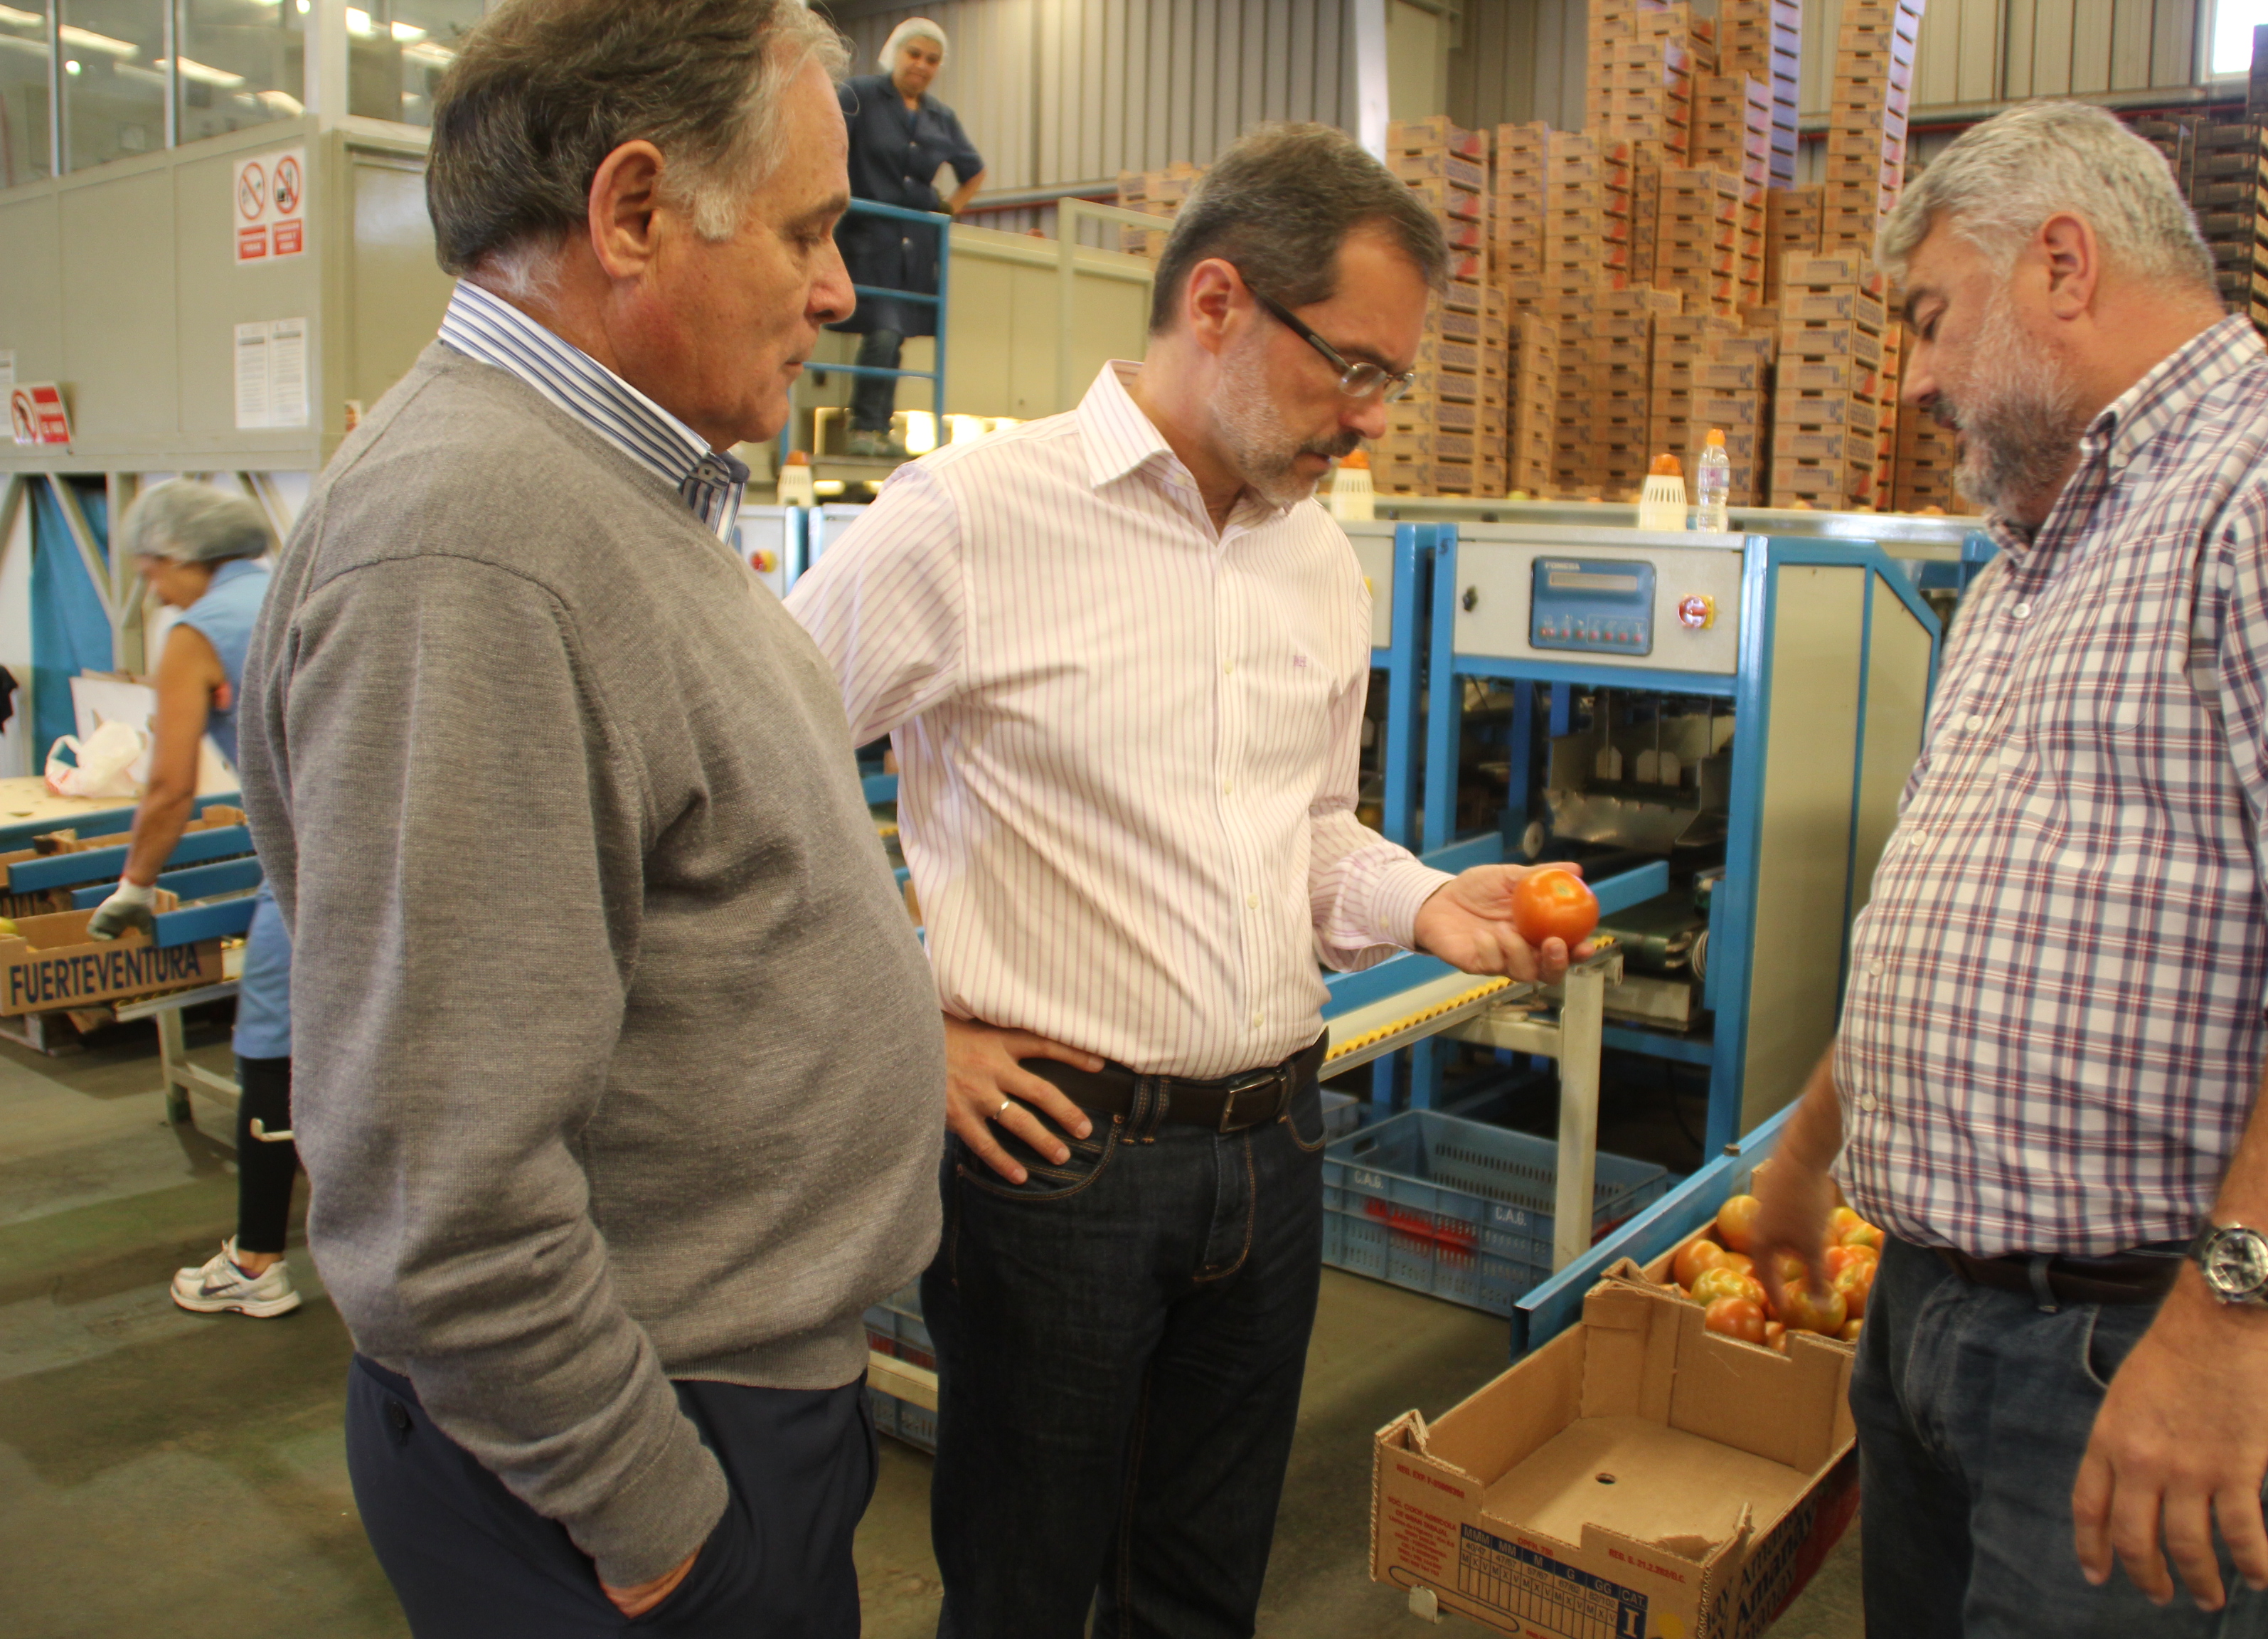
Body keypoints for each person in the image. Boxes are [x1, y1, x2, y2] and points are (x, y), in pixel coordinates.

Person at [789, 121, 1596, 1639]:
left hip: (1278, 1141)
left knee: (1202, 1592)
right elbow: (751, 785)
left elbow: (1306, 832)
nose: (1366, 422)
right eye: (1350, 366)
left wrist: (1428, 904)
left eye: (1390, 382)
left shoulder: (1313, 559)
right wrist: (911, 1023)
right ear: (1217, 302)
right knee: (1026, 1590)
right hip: (1058, 1165)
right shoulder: (971, 520)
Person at [237, 2, 944, 1634]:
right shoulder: (472, 546)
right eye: (807, 233)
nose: (840, 292)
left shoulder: (607, 494)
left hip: (715, 1395)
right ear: (632, 213)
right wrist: (660, 1525)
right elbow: (442, 1192)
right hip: (627, 1456)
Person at [1745, 100, 2268, 1637]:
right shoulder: (2028, 563)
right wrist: (1809, 1154)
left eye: (1931, 318)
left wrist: (2233, 1314)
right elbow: (1947, 918)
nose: (1916, 376)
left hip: (2151, 1339)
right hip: (1942, 1317)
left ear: (2061, 262)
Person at [83, 482, 297, 1320]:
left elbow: (168, 786)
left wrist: (135, 886)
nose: (153, 588)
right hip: (398, 856)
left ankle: (256, 1263)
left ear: (182, 556)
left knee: (270, 1047)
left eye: (153, 570)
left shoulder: (196, 634)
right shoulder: (297, 586)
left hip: (308, 865)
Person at [832, 16, 983, 457]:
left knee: (896, 335)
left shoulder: (941, 117)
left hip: (915, 243)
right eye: (914, 54)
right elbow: (831, 144)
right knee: (883, 328)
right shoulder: (859, 96)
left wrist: (947, 209)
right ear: (894, 53)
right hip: (867, 233)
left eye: (932, 59)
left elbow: (974, 171)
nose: (922, 65)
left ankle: (879, 428)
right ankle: (864, 426)